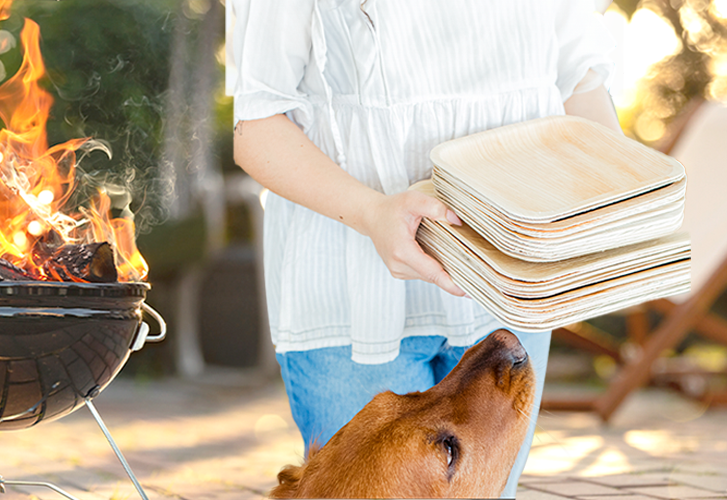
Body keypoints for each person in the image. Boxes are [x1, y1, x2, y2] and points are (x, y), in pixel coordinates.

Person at [231, 1, 620, 496]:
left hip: (511, 277)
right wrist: (373, 212)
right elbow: (257, 128)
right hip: (352, 294)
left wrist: (627, 202)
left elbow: (577, 79)